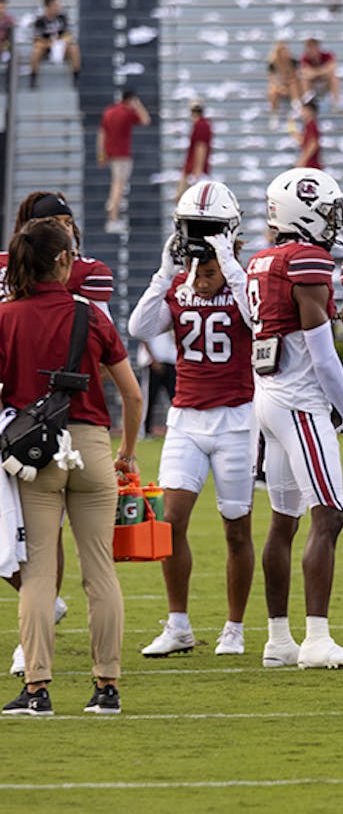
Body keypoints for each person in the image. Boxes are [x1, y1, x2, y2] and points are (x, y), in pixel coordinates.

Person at [1, 218, 143, 716]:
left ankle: (37, 689)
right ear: (64, 259)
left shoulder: (7, 316)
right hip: (91, 447)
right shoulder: (90, 314)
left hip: (34, 454)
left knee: (39, 572)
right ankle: (107, 686)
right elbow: (132, 393)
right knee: (100, 572)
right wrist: (126, 451)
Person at [125, 182, 256, 658]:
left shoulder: (243, 281)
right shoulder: (179, 284)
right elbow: (139, 327)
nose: (201, 276)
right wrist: (164, 273)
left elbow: (259, 320)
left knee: (235, 528)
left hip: (237, 420)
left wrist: (233, 268)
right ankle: (178, 624)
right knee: (170, 523)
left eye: (210, 267)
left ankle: (235, 628)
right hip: (186, 418)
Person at [247, 167, 343, 670]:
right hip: (299, 401)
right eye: (328, 212)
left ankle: (278, 639)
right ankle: (316, 639)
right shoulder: (306, 260)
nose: (336, 223)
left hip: (267, 398)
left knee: (283, 520)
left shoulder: (263, 258)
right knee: (330, 513)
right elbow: (323, 356)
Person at [97, 90, 151, 234]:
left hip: (111, 154)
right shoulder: (126, 112)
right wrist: (138, 105)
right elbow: (146, 120)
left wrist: (101, 154)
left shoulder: (109, 111)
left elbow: (102, 133)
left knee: (116, 184)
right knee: (118, 186)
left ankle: (112, 210)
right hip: (122, 154)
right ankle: (112, 218)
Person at [28, 0, 80, 88]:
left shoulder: (62, 18)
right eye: (56, 5)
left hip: (61, 46)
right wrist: (50, 44)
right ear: (48, 7)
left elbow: (68, 35)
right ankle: (33, 77)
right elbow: (37, 40)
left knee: (74, 48)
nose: (58, 7)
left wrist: (59, 43)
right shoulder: (40, 21)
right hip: (46, 47)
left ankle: (76, 76)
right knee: (36, 51)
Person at [176, 101, 213, 199]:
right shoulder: (203, 124)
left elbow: (200, 147)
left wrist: (197, 170)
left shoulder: (201, 125)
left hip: (193, 169)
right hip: (193, 168)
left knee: (186, 199)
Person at [297, 38, 341, 103]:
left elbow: (332, 68)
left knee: (334, 78)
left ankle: (335, 102)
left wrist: (315, 72)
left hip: (325, 83)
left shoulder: (327, 55)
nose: (310, 51)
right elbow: (306, 72)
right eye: (308, 48)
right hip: (312, 84)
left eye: (312, 48)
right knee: (304, 79)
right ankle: (307, 101)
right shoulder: (304, 57)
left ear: (317, 48)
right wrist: (323, 71)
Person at [295, 99, 323, 170]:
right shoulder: (308, 126)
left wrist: (303, 160)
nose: (301, 113)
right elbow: (302, 140)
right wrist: (291, 126)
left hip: (312, 165)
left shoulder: (312, 125)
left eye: (303, 111)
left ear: (310, 112)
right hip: (309, 164)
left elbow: (313, 144)